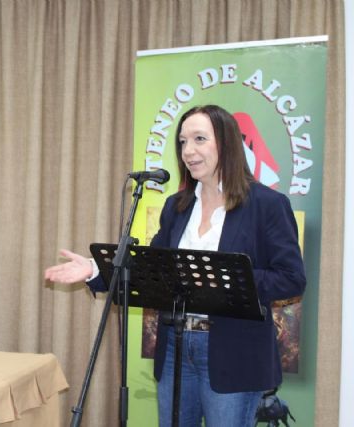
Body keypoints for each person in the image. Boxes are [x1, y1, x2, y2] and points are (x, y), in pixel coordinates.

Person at [44, 105, 306, 427]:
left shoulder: (266, 205)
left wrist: (226, 278)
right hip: (176, 349)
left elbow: (292, 279)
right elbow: (151, 272)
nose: (188, 151)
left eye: (199, 139)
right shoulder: (177, 206)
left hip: (233, 354)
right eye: (182, 142)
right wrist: (96, 270)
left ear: (227, 143)